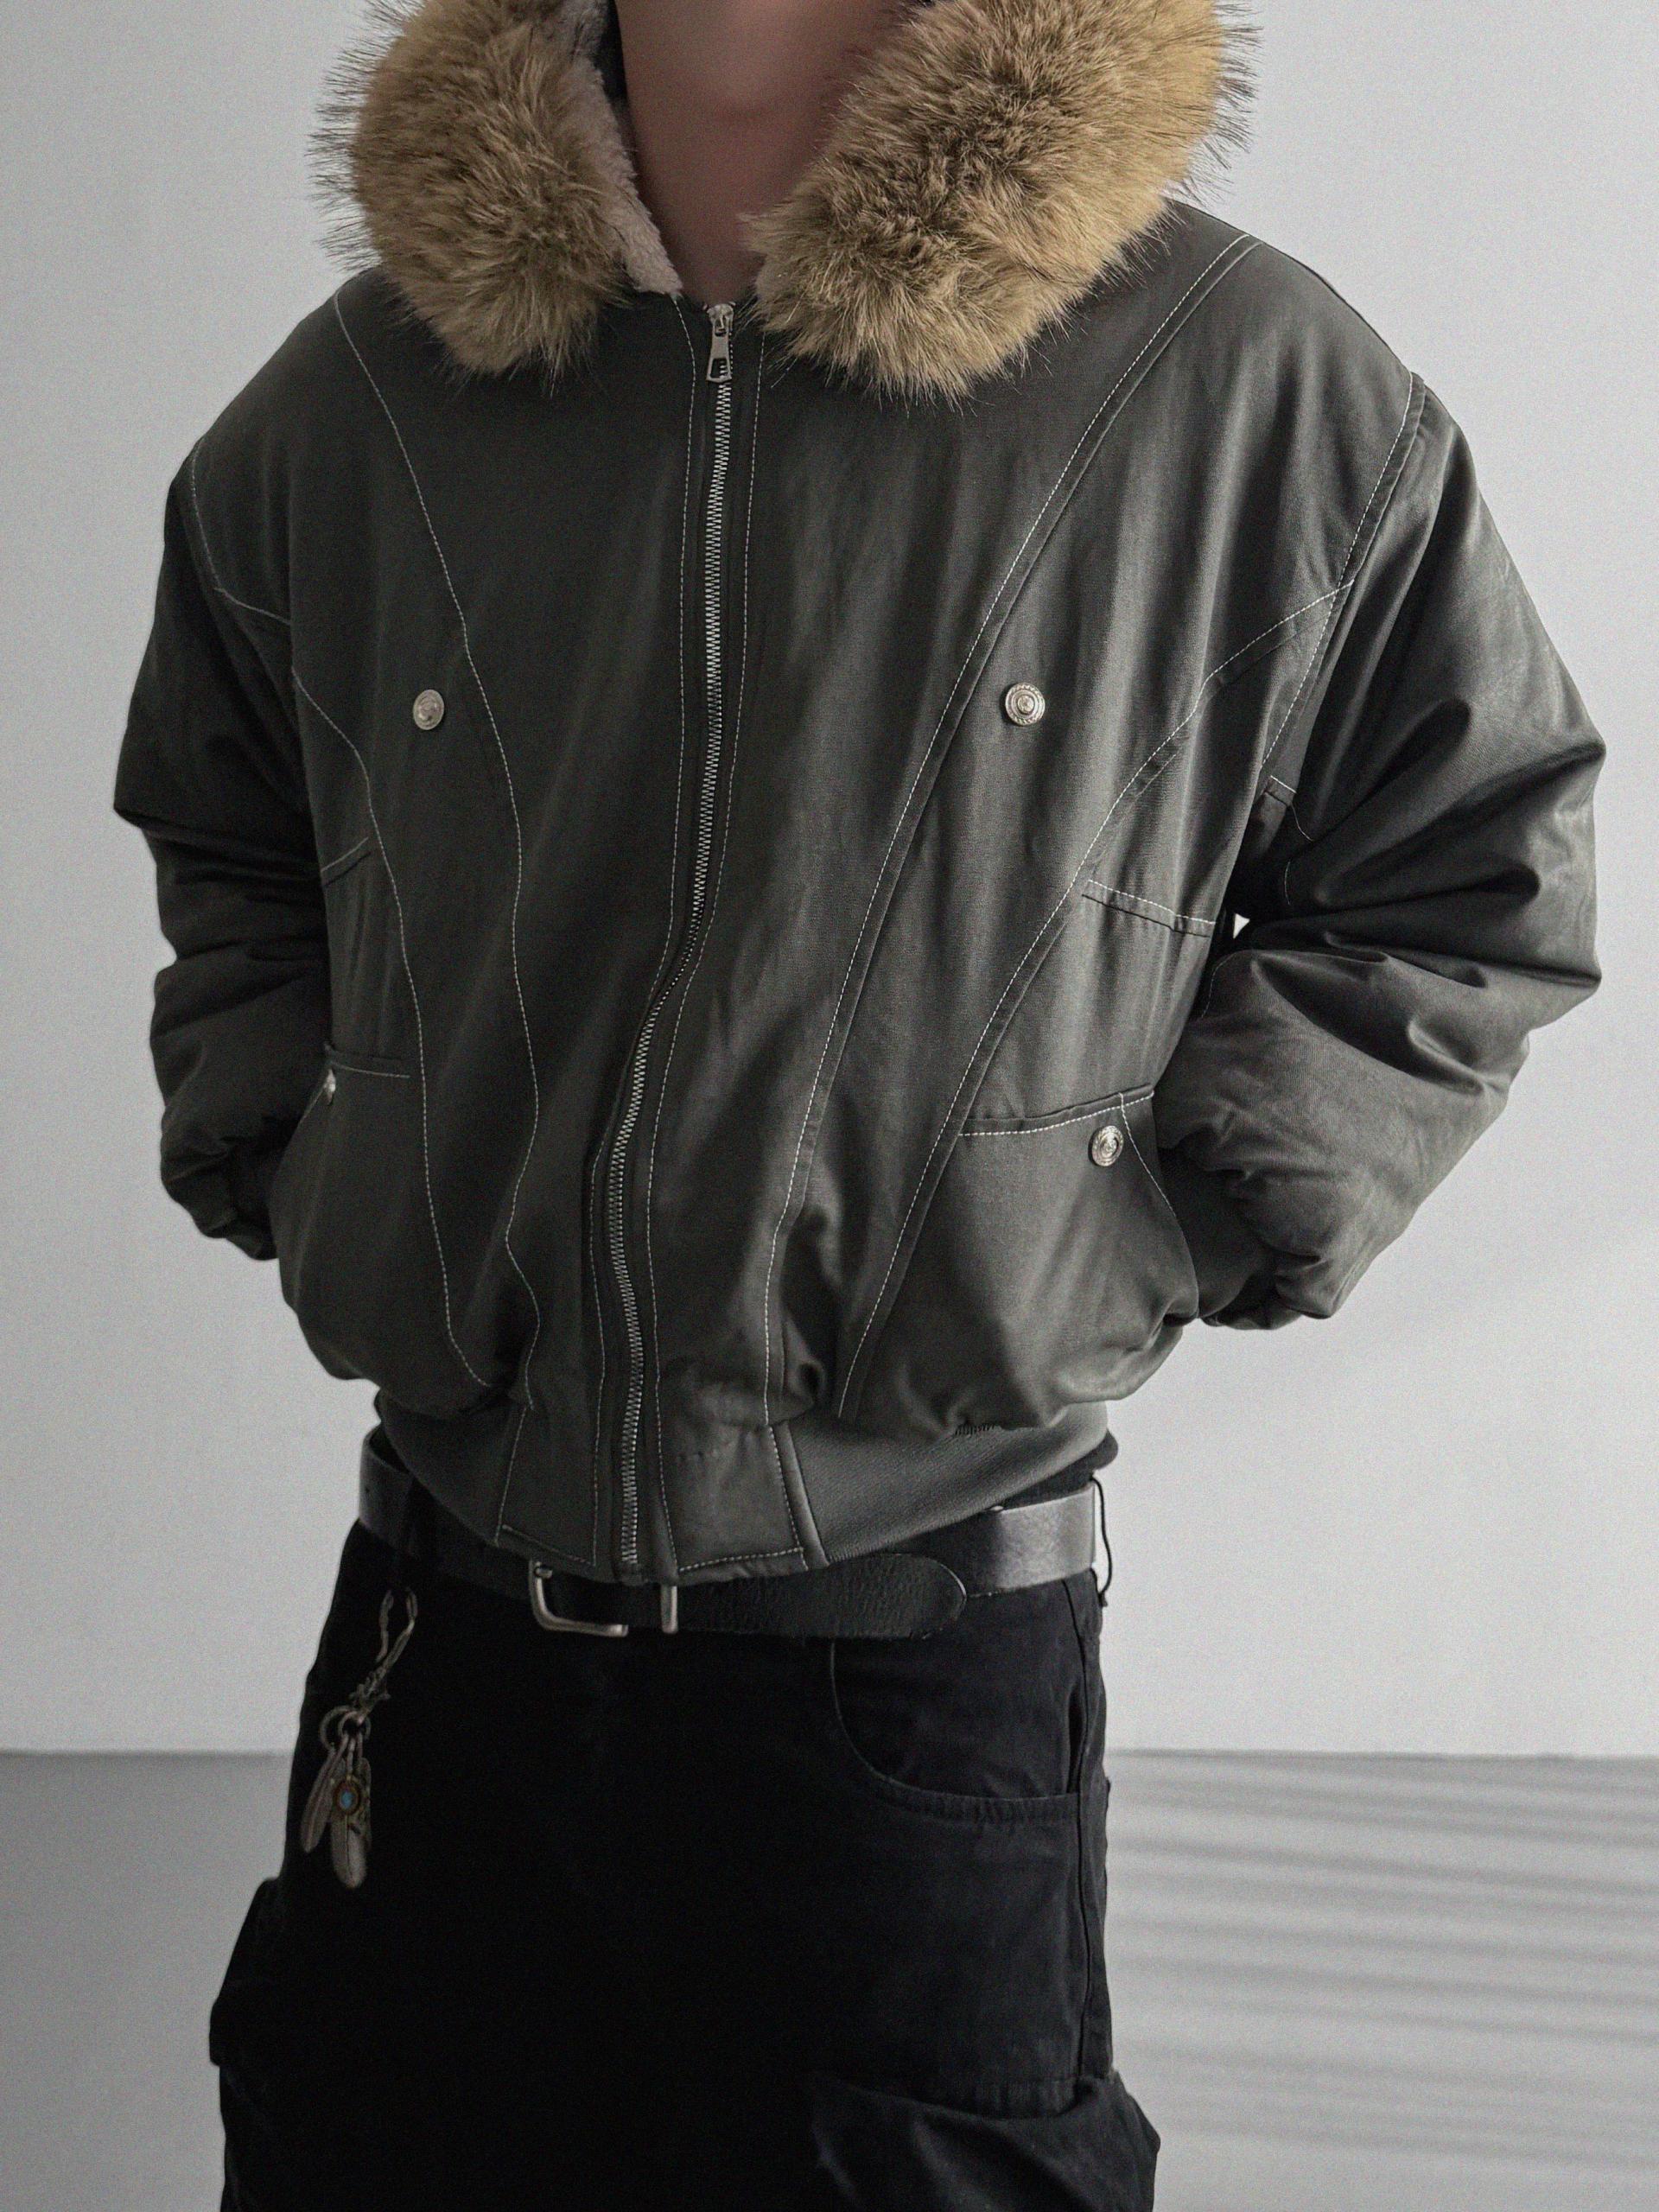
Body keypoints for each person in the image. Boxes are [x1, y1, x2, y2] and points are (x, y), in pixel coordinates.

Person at [111, 1, 1603, 2204]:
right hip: (445, 1654)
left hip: (911, 1677)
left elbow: (1470, 866)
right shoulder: (361, 408)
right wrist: (318, 1151)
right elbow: (229, 821)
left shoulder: (1240, 387)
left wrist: (1135, 1223)